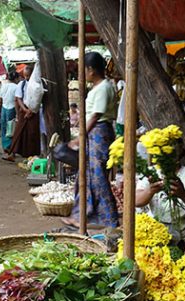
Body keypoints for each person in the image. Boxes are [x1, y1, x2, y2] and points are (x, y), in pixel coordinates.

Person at [61, 52, 119, 228]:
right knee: (86, 175)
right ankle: (81, 215)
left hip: (98, 133)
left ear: (91, 70)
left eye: (83, 70)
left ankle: (109, 219)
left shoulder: (104, 87)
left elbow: (96, 116)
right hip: (93, 133)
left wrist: (79, 137)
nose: (81, 74)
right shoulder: (98, 87)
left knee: (98, 177)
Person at [136, 164, 185, 254]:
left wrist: (183, 194)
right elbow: (136, 201)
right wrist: (150, 191)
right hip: (154, 241)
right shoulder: (150, 173)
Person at [3, 64, 41, 161]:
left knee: (32, 133)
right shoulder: (21, 84)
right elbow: (18, 98)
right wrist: (25, 110)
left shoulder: (38, 84)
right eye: (25, 76)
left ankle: (31, 154)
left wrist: (32, 110)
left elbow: (39, 99)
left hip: (34, 111)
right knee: (18, 133)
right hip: (23, 111)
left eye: (28, 75)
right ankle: (13, 153)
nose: (26, 78)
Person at [0, 71, 18, 155]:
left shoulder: (3, 86)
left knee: (4, 128)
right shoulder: (16, 87)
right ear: (16, 78)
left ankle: (5, 147)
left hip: (4, 108)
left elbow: (0, 99)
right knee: (11, 129)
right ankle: (10, 148)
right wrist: (17, 113)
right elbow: (16, 100)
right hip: (12, 108)